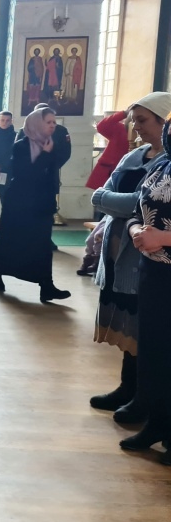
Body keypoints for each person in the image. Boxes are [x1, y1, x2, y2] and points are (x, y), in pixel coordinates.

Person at [89, 93, 171, 424]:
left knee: (144, 327)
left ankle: (143, 397)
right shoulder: (135, 155)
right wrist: (114, 208)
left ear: (164, 121)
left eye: (142, 121)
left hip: (146, 253)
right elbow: (101, 194)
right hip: (119, 247)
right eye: (133, 121)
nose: (135, 129)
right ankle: (128, 388)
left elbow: (135, 202)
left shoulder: (165, 163)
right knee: (127, 323)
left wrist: (114, 203)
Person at [120, 110, 171, 464]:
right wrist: (136, 231)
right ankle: (157, 423)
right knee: (154, 353)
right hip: (152, 271)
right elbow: (139, 206)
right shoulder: (161, 165)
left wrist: (164, 237)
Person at [0, 108, 71, 302]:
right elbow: (27, 175)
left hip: (41, 205)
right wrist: (45, 154)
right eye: (48, 122)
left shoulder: (52, 144)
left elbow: (50, 174)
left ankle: (46, 285)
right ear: (36, 123)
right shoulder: (21, 146)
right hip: (20, 204)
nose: (52, 126)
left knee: (42, 245)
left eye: (53, 122)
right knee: (10, 241)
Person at [18, 102, 72, 250]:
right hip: (29, 177)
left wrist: (50, 165)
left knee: (47, 210)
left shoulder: (60, 131)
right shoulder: (24, 131)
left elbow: (65, 153)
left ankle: (45, 239)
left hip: (49, 176)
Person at [86, 110, 132, 192]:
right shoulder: (120, 129)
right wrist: (124, 113)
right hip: (108, 174)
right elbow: (102, 126)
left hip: (127, 176)